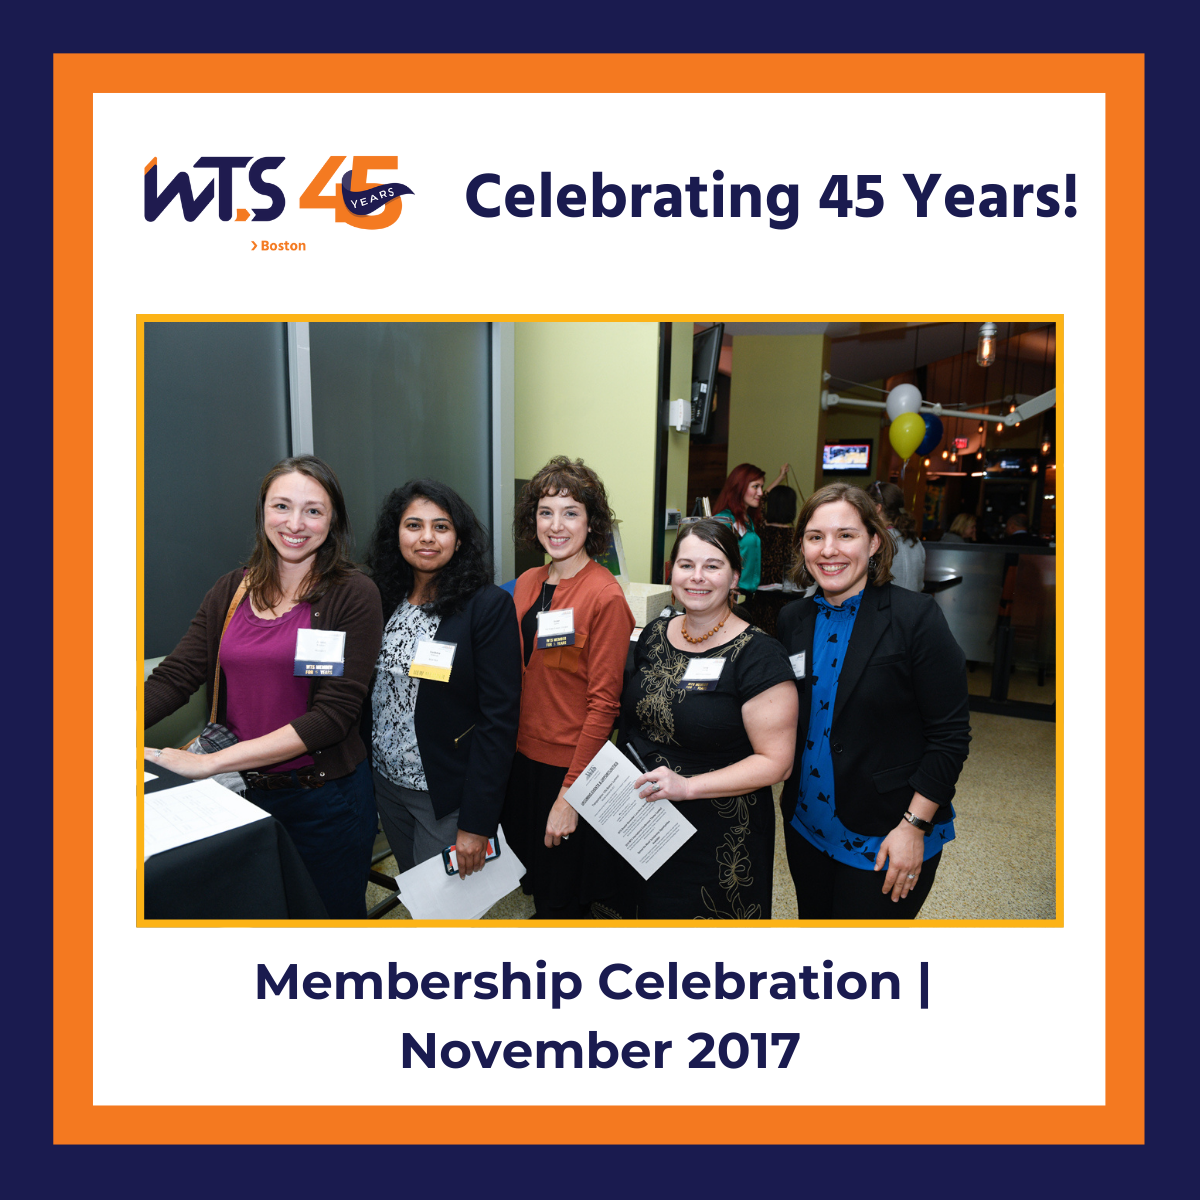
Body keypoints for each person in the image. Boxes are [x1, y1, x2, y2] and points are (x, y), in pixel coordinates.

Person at [144, 456, 383, 919]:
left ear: (333, 522)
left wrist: (207, 763)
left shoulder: (353, 594)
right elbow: (175, 677)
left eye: (313, 511)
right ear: (262, 512)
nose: (295, 524)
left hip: (323, 802)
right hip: (241, 794)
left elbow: (331, 719)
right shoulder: (230, 590)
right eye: (282, 507)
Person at [776, 484, 970, 919]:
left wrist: (914, 827)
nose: (830, 550)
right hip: (807, 823)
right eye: (815, 536)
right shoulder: (793, 619)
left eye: (846, 535)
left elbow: (950, 737)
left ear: (875, 541)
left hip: (888, 831)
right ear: (802, 546)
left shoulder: (915, 618)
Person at [621, 519, 798, 919]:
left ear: (735, 574)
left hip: (717, 835)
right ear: (671, 572)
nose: (697, 577)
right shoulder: (654, 634)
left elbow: (777, 761)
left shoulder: (759, 655)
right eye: (686, 565)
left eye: (712, 566)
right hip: (641, 822)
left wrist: (686, 787)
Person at [365, 479, 521, 884]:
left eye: (441, 526)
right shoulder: (380, 599)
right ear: (395, 534)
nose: (427, 538)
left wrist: (477, 822)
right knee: (419, 898)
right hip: (386, 783)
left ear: (459, 539)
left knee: (444, 916)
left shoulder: (486, 607)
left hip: (445, 792)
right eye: (413, 525)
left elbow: (499, 720)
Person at [501, 456, 635, 919]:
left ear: (591, 521)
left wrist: (569, 795)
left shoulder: (605, 596)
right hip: (519, 763)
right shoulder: (526, 583)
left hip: (566, 768)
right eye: (545, 511)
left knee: (562, 905)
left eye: (570, 512)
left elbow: (604, 706)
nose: (556, 525)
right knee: (536, 884)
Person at [711, 462, 788, 595]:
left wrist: (781, 477)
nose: (760, 492)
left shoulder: (747, 519)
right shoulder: (724, 520)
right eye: (755, 486)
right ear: (739, 488)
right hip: (730, 595)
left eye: (761, 487)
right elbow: (712, 559)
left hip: (748, 594)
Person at [869, 479, 926, 592]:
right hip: (914, 606)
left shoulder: (878, 541)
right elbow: (920, 585)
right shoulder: (915, 541)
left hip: (888, 607)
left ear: (877, 508)